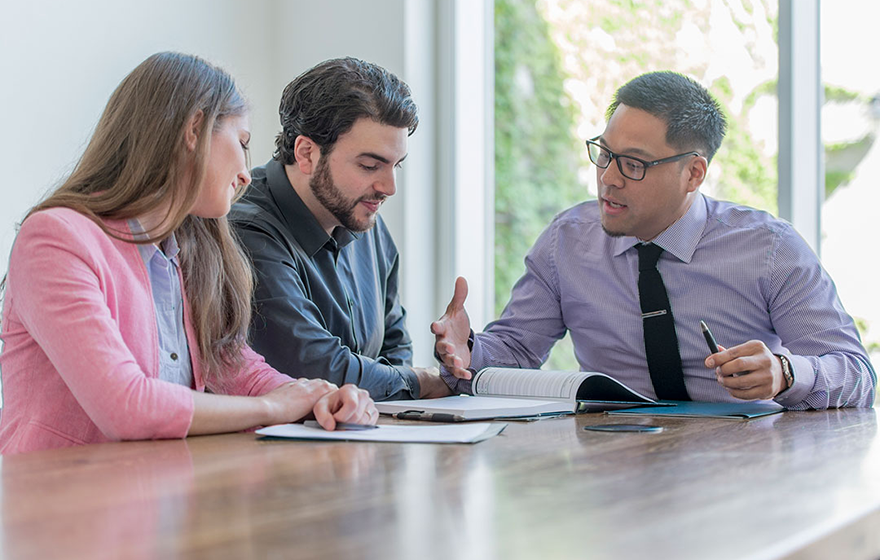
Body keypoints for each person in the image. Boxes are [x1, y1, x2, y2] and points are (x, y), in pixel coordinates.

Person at [0, 52, 377, 455]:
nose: (247, 174)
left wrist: (316, 398)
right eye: (242, 142)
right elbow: (126, 405)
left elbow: (236, 367)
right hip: (57, 505)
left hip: (157, 500)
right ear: (195, 129)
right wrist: (271, 407)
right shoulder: (56, 239)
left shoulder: (190, 248)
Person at [432, 71, 876, 410]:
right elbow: (514, 352)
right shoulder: (567, 242)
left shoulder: (769, 249)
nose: (608, 178)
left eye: (634, 164)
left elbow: (858, 375)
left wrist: (784, 372)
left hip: (743, 472)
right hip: (611, 473)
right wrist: (465, 348)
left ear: (694, 173)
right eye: (604, 154)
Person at [229, 57, 450, 401]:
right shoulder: (247, 230)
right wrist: (422, 382)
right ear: (306, 154)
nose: (389, 187)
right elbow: (317, 366)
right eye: (369, 165)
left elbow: (394, 344)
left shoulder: (362, 216)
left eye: (396, 166)